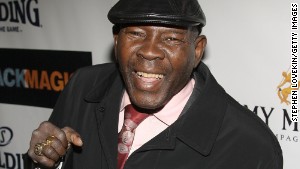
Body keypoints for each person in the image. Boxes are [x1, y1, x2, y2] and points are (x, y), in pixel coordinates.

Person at [24, 0, 283, 168]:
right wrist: (43, 161)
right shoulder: (83, 86)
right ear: (116, 42)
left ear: (197, 50)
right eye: (136, 33)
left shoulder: (249, 146)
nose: (149, 51)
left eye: (171, 38)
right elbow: (49, 156)